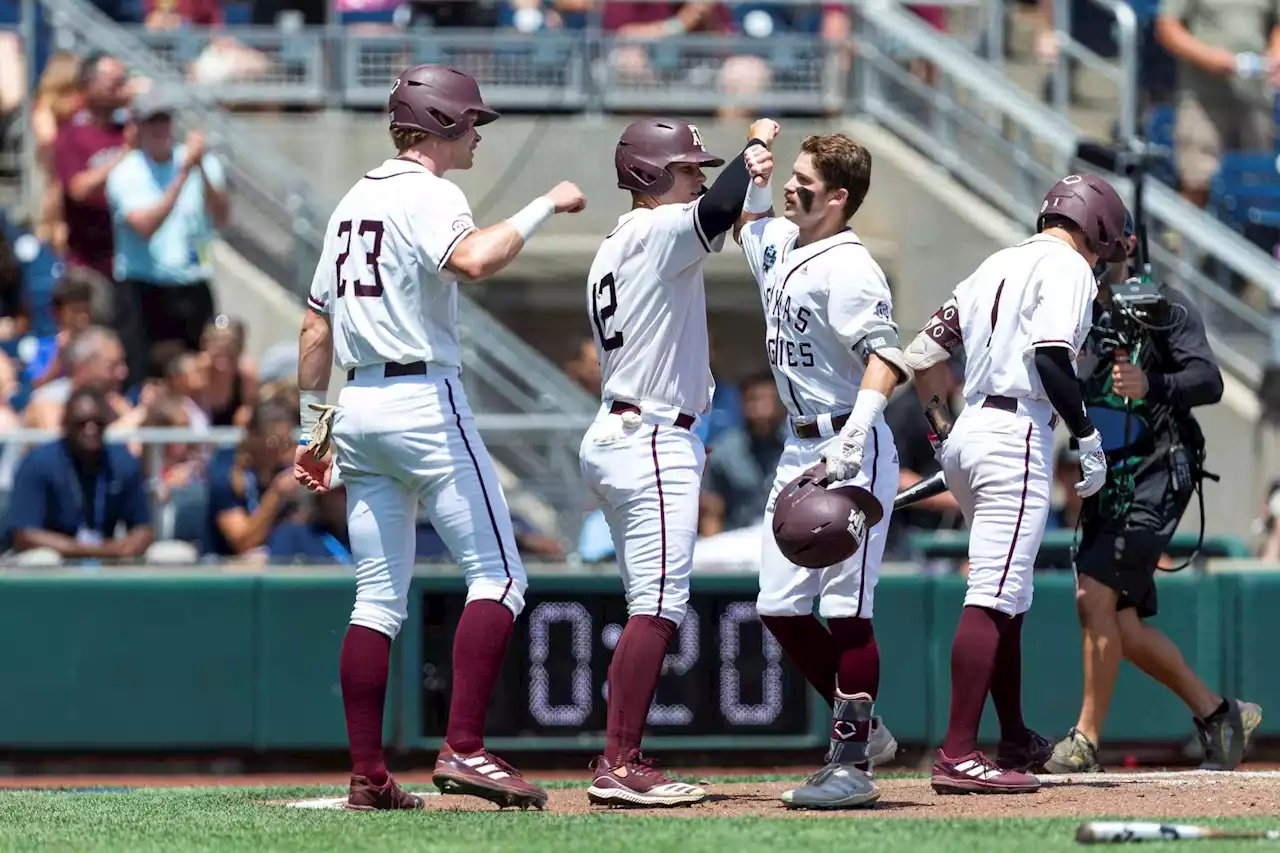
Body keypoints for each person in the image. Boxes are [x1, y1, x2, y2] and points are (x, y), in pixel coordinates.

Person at [291, 64, 585, 812]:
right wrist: (545, 204)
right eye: (470, 121)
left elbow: (314, 323)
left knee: (376, 599)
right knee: (502, 578)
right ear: (442, 124)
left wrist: (307, 425)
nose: (478, 133)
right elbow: (475, 260)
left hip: (355, 405)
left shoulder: (353, 200)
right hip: (423, 398)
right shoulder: (430, 192)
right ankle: (465, 747)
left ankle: (369, 774)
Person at [902, 173, 1122, 794]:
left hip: (971, 429)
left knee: (1009, 592)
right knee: (995, 594)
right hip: (1017, 432)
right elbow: (1053, 355)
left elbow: (922, 354)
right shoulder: (1071, 268)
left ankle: (1013, 735)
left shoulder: (994, 262)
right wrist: (1085, 434)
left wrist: (943, 435)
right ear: (1097, 226)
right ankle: (958, 752)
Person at [577, 116, 773, 808]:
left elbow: (718, 211)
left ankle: (621, 750)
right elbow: (720, 208)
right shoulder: (657, 232)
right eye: (687, 168)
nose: (697, 177)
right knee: (660, 604)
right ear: (652, 174)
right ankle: (620, 759)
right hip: (654, 434)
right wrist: (751, 154)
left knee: (647, 605)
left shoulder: (614, 246)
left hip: (626, 428)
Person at [1043, 214, 1262, 774]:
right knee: (1124, 624)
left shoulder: (1164, 304)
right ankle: (1220, 714)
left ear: (1127, 244)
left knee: (1092, 596)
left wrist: (1153, 384)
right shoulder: (1075, 305)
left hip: (1160, 468)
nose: (1091, 249)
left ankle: (1086, 740)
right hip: (1105, 474)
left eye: (1101, 237)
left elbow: (1208, 380)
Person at [733, 132, 906, 809]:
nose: (791, 186)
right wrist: (754, 170)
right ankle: (868, 729)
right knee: (778, 604)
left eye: (804, 179)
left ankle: (853, 761)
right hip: (799, 446)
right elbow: (752, 227)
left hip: (849, 443)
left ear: (838, 197)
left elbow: (886, 357)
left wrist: (857, 435)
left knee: (845, 608)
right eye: (793, 175)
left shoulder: (851, 266)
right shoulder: (783, 237)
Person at [106, 88, 229, 386]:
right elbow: (145, 226)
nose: (160, 129)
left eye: (164, 120)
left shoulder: (202, 164)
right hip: (143, 290)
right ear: (138, 126)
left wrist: (199, 168)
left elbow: (222, 216)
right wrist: (183, 175)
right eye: (152, 121)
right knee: (142, 376)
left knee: (198, 376)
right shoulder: (126, 173)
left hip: (192, 285)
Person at [5, 387, 153, 563]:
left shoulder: (123, 462)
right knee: (42, 560)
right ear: (65, 424)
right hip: (52, 562)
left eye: (97, 423)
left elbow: (143, 528)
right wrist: (94, 550)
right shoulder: (38, 462)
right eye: (80, 423)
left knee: (169, 555)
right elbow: (25, 535)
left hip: (108, 558)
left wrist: (126, 547)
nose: (90, 430)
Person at [51, 53, 134, 281]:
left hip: (134, 263)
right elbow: (79, 189)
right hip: (89, 264)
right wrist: (126, 154)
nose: (120, 85)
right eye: (112, 80)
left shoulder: (130, 129)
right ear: (88, 85)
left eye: (122, 79)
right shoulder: (72, 135)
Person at [202, 399, 302, 558]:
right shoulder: (224, 472)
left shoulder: (284, 467)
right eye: (273, 442)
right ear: (253, 434)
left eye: (287, 442)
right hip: (227, 565)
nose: (281, 451)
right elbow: (242, 542)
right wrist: (276, 494)